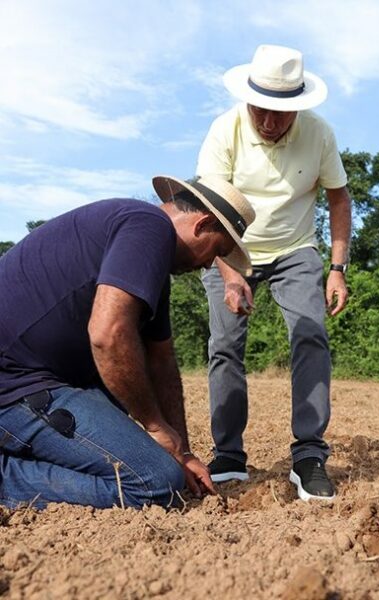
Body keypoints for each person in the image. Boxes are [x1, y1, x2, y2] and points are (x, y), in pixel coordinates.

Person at [0, 175, 255, 510]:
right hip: (15, 386)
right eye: (217, 251)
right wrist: (154, 426)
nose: (209, 264)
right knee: (155, 483)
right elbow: (108, 335)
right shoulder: (148, 226)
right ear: (202, 224)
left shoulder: (149, 256)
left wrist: (183, 452)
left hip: (42, 379)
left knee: (154, 446)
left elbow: (161, 362)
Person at [197, 44, 352, 501]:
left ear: (298, 106)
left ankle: (308, 455)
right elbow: (207, 208)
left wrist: (337, 267)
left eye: (280, 113)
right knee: (224, 345)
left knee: (311, 335)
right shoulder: (224, 130)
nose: (268, 122)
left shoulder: (320, 134)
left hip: (294, 249)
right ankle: (228, 454)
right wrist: (227, 272)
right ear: (248, 98)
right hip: (230, 247)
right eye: (260, 110)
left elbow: (338, 199)